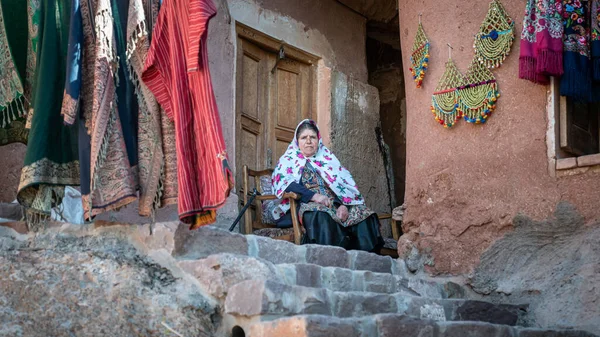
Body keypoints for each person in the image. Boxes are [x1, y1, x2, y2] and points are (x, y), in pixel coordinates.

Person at [271, 119, 384, 253]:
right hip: (306, 203)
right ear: (297, 141)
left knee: (365, 214)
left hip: (334, 203)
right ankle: (331, 259)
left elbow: (343, 186)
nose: (308, 141)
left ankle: (366, 261)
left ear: (318, 140)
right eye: (303, 138)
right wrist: (314, 196)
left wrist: (343, 204)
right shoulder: (288, 160)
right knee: (320, 215)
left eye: (312, 137)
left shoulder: (328, 159)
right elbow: (287, 185)